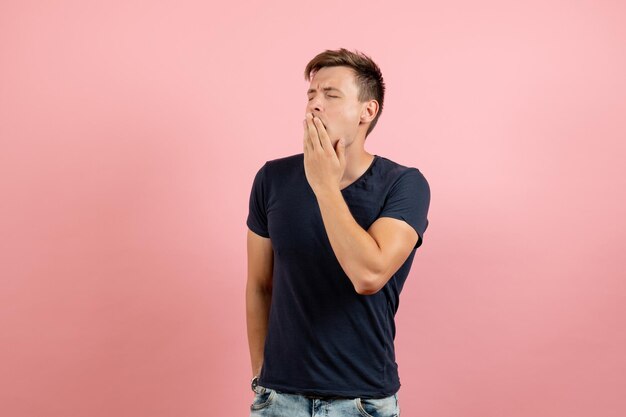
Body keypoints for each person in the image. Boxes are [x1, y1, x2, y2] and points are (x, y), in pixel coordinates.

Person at [246, 48, 430, 417]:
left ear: (368, 111)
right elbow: (259, 285)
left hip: (361, 402)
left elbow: (368, 274)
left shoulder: (404, 185)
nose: (315, 105)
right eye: (311, 95)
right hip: (279, 400)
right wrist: (262, 380)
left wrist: (324, 186)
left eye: (331, 95)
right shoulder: (272, 179)